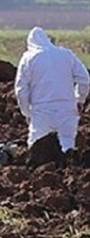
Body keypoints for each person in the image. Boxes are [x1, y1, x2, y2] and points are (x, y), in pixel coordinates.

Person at [15, 26, 89, 165]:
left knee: (37, 148)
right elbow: (84, 78)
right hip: (67, 108)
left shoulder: (28, 58)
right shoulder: (66, 54)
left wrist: (27, 112)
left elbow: (21, 89)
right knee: (68, 145)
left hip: (41, 110)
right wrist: (80, 99)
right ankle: (69, 177)